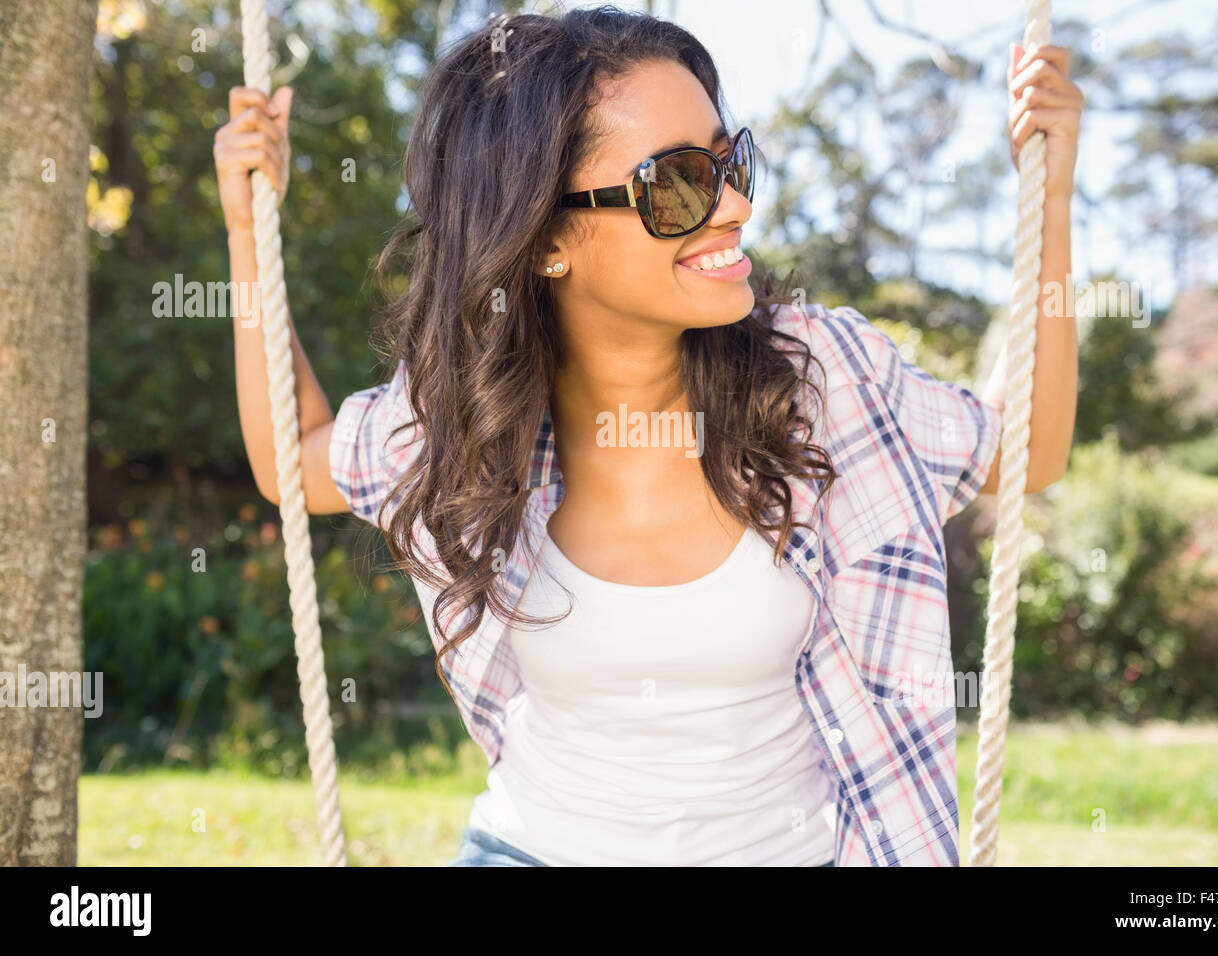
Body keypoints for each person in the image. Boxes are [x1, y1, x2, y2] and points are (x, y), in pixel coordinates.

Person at [215, 6, 1081, 866]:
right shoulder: (472, 421)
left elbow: (1028, 448)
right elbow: (295, 461)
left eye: (729, 160)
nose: (734, 204)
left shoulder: (818, 382)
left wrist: (1049, 193)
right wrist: (247, 229)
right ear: (546, 238)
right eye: (677, 183)